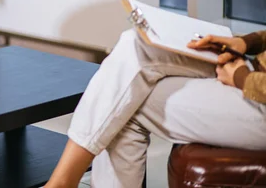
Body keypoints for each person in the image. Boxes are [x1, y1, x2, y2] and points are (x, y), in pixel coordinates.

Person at [44, 29, 266, 188]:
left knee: (127, 98)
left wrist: (243, 79)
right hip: (255, 71)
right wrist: (247, 42)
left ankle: (61, 183)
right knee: (137, 42)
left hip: (259, 95)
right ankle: (64, 181)